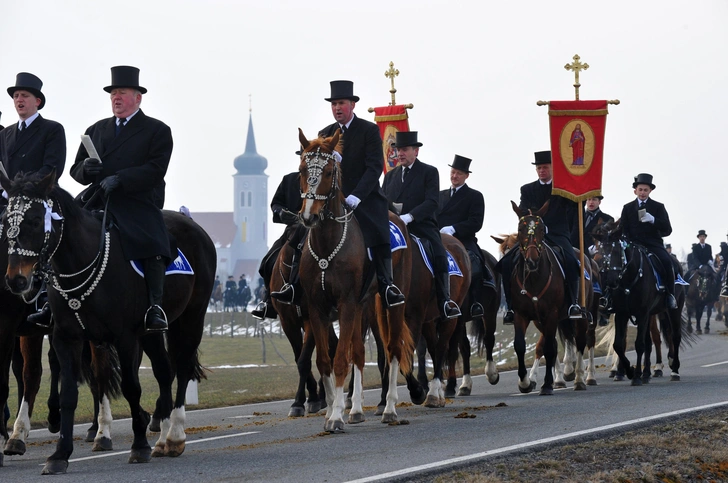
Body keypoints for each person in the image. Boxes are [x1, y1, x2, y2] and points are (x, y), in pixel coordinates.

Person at [69, 66, 173, 333]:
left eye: (122, 93)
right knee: (61, 230)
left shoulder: (157, 130)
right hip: (98, 198)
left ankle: (154, 307)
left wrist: (122, 179)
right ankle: (52, 300)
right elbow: (76, 169)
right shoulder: (96, 129)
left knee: (153, 240)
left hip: (137, 201)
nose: (116, 98)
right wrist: (85, 170)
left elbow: (155, 169)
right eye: (113, 93)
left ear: (137, 98)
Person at [316, 80, 404, 307]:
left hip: (364, 197)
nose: (337, 108)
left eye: (341, 103)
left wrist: (357, 195)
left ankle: (386, 284)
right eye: (334, 104)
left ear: (352, 105)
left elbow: (374, 167)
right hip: (333, 199)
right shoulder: (325, 133)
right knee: (304, 230)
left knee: (379, 229)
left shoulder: (368, 130)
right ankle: (296, 283)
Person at [0, 72, 67, 327]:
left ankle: (47, 300)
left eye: (24, 96)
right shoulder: (5, 134)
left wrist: (22, 189)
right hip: (11, 199)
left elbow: (52, 167)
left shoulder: (52, 129)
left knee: (50, 239)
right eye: (16, 96)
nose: (19, 100)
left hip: (41, 198)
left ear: (37, 101)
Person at [497, 151, 582, 324]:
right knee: (505, 263)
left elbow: (572, 212)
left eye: (545, 167)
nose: (542, 171)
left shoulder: (563, 188)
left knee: (572, 262)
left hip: (557, 234)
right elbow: (522, 212)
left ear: (552, 168)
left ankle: (573, 303)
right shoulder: (527, 189)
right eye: (539, 168)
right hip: (532, 236)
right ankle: (511, 307)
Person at [382, 132, 460, 319]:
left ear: (415, 151)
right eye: (398, 149)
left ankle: (444, 300)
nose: (400, 153)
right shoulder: (390, 176)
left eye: (404, 150)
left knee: (439, 253)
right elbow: (383, 201)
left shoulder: (429, 172)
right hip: (394, 227)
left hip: (421, 226)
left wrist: (410, 217)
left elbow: (432, 202)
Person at [437, 154, 491, 318]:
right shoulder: (440, 195)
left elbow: (476, 222)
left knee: (474, 262)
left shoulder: (475, 196)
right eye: (453, 172)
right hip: (439, 239)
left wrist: (454, 229)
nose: (455, 176)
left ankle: (475, 302)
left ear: (466, 176)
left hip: (463, 240)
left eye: (459, 173)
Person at [614, 173, 677, 310]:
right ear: (635, 191)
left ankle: (670, 295)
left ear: (650, 191)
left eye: (645, 190)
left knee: (667, 261)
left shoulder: (658, 207)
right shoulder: (627, 207)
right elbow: (623, 228)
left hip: (653, 244)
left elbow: (668, 229)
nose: (642, 193)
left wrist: (654, 220)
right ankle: (611, 297)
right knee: (614, 263)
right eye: (640, 190)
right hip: (632, 244)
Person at [254, 162, 306, 319]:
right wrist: (281, 212)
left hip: (317, 230)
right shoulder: (289, 180)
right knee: (268, 262)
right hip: (292, 230)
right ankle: (269, 302)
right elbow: (276, 203)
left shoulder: (324, 179)